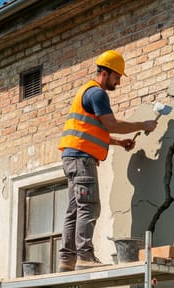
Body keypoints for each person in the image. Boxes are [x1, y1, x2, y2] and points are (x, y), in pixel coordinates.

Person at [58, 49, 159, 271]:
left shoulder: (86, 92)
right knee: (89, 206)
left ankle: (67, 259)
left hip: (73, 157)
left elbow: (95, 132)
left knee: (75, 209)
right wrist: (143, 125)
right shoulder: (97, 94)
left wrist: (120, 143)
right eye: (117, 76)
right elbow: (111, 124)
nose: (119, 82)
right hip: (81, 159)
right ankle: (84, 256)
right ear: (105, 72)